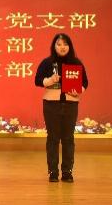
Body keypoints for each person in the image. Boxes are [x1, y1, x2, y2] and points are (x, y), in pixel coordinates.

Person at [34, 33, 89, 183]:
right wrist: (49, 80)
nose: (62, 47)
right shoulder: (47, 62)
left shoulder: (76, 62)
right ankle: (53, 171)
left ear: (70, 46)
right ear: (54, 46)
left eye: (65, 44)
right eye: (59, 44)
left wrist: (79, 90)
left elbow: (85, 82)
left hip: (71, 104)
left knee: (68, 138)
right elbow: (37, 80)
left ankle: (67, 172)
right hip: (51, 104)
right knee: (53, 138)